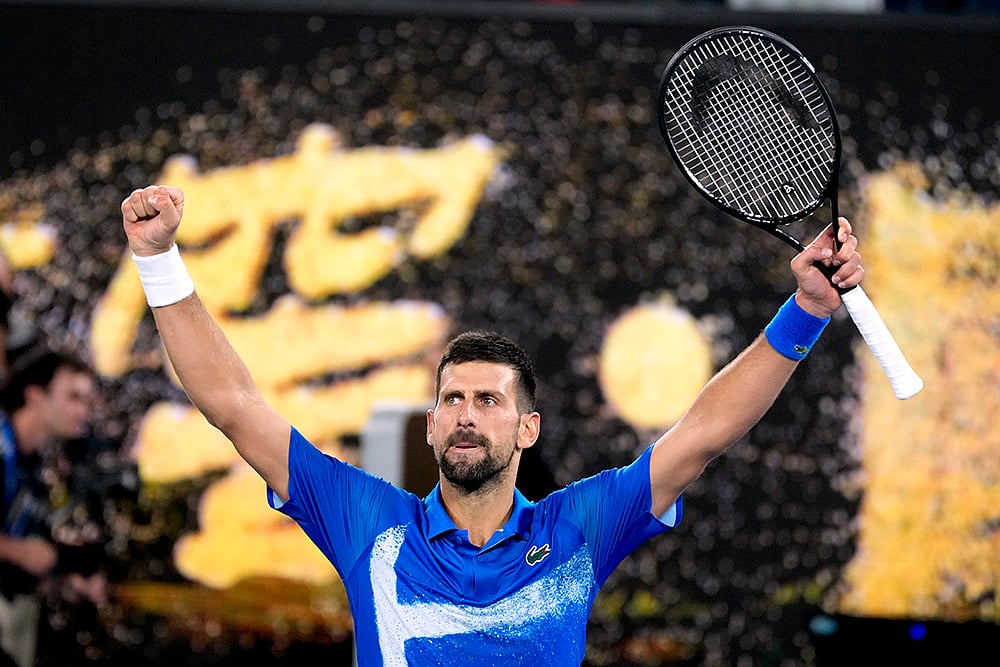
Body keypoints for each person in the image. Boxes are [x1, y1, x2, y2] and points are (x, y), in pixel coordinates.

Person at [121, 185, 864, 665]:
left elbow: (702, 434)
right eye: (451, 399)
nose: (466, 414)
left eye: (487, 400)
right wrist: (158, 261)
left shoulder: (578, 529)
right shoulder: (367, 522)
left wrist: (804, 313)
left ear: (528, 429)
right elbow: (231, 403)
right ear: (431, 427)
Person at [0, 347, 106, 667]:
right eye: (74, 397)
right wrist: (21, 552)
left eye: (88, 400)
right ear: (34, 396)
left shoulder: (34, 461)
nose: (85, 411)